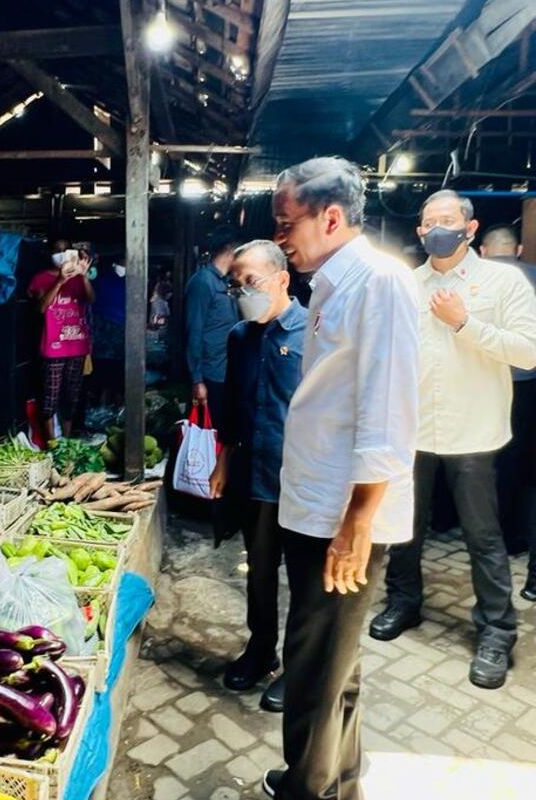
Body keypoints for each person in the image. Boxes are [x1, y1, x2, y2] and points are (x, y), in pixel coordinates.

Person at [263, 157, 419, 800]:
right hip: (319, 504)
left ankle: (307, 787)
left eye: (285, 223)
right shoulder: (333, 282)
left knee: (312, 666)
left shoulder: (380, 283)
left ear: (330, 217)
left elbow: (387, 417)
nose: (281, 239)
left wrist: (356, 527)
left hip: (342, 516)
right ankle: (339, 778)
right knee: (335, 662)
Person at [370, 193, 536, 688]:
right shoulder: (406, 284)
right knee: (404, 527)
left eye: (448, 220)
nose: (438, 229)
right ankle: (403, 602)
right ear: (419, 233)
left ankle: (497, 630)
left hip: (473, 431)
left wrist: (465, 323)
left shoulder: (502, 281)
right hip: (412, 429)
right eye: (428, 223)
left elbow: (528, 353)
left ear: (470, 226)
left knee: (482, 536)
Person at [209, 240, 305, 714]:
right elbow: (230, 408)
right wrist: (223, 460)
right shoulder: (240, 336)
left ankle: (300, 669)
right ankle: (260, 649)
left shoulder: (315, 331)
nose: (242, 291)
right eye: (236, 284)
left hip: (304, 478)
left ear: (282, 278)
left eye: (252, 282)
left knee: (307, 580)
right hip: (255, 474)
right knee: (260, 570)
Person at [481, 225, 536, 589]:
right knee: (525, 466)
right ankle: (518, 540)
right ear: (516, 249)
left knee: (488, 463)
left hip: (486, 382)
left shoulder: (478, 279)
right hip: (530, 383)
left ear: (482, 249)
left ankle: (489, 534)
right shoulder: (532, 275)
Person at [28, 239, 94, 440]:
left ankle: (65, 442)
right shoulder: (41, 278)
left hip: (77, 345)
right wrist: (60, 281)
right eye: (58, 250)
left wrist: (83, 277)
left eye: (66, 250)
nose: (62, 254)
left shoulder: (79, 278)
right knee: (50, 399)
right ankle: (52, 446)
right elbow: (40, 308)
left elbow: (91, 299)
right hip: (53, 347)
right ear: (50, 254)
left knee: (70, 398)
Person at [185, 225, 241, 416]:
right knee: (206, 434)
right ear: (231, 250)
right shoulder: (203, 282)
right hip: (209, 375)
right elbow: (194, 331)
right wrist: (197, 380)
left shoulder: (224, 283)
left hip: (224, 371)